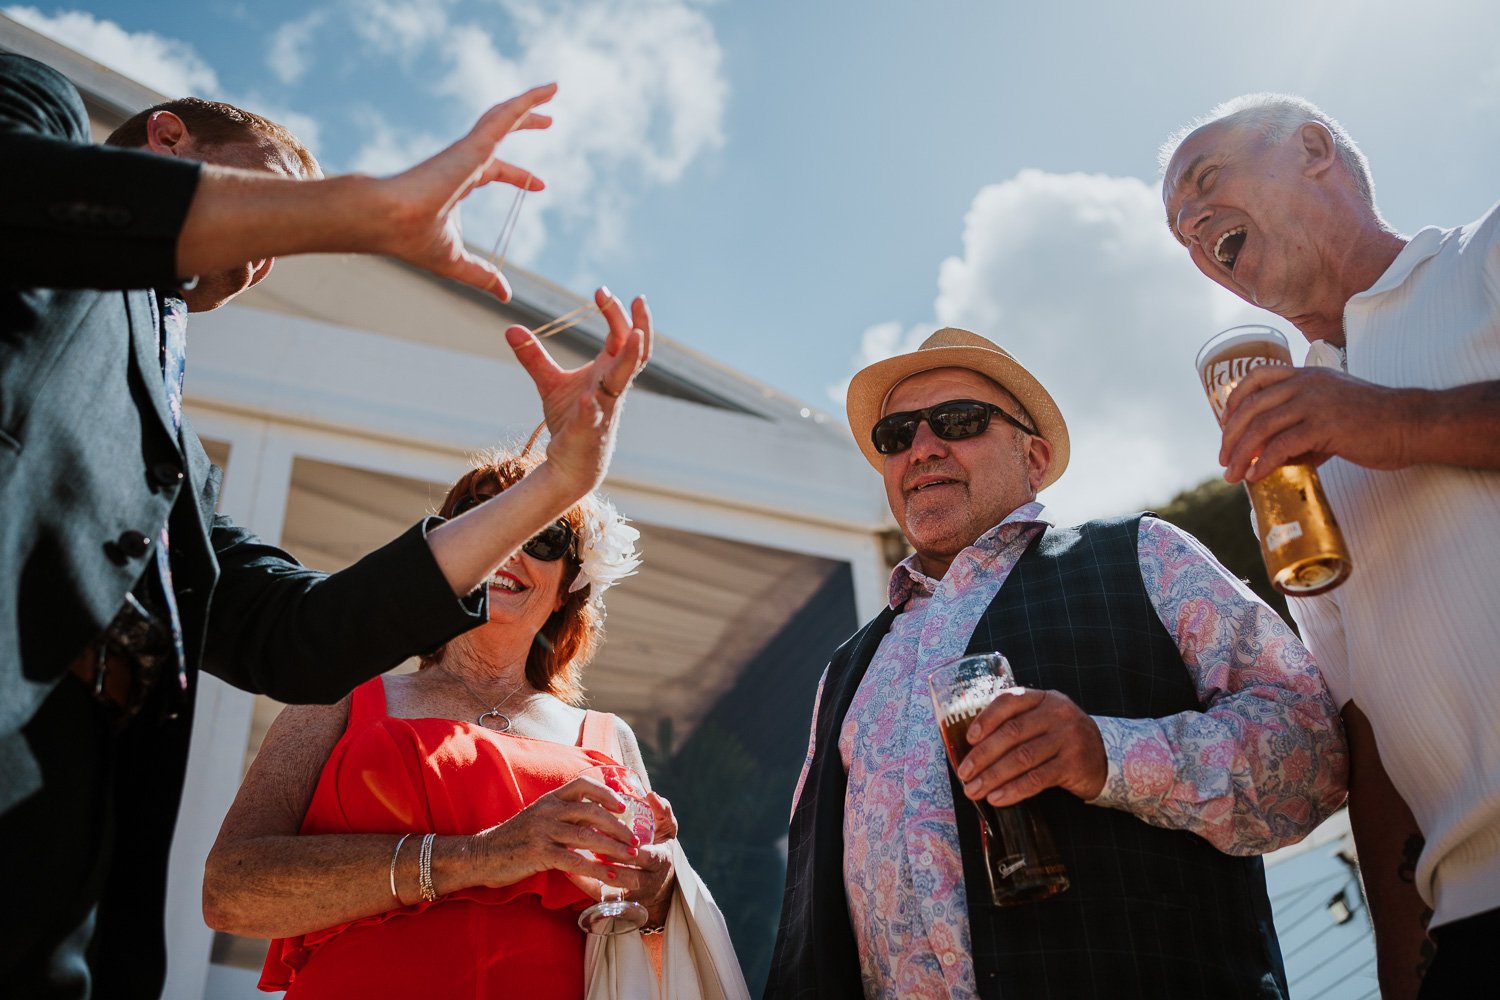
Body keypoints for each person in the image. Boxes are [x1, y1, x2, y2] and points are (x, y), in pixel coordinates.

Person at [0, 52, 652, 998]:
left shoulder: (176, 463)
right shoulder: (40, 121)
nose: (278, 253)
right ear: (168, 138)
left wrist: (557, 483)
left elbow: (299, 639)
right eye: (281, 203)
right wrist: (360, 209)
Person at [765, 327, 1347, 999]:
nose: (922, 447)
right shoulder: (846, 671)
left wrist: (1107, 754)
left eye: (958, 421)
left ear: (1033, 457)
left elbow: (1314, 752)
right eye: (896, 435)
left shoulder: (1146, 556)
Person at [1160, 93, 1500, 1000]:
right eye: (1180, 232)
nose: (1193, 228)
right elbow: (1368, 729)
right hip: (1472, 922)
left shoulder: (1484, 260)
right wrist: (1404, 972)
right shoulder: (1293, 470)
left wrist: (1396, 423)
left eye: (1205, 184)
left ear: (1314, 149)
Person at [203, 453, 700, 996]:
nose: (509, 545)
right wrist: (482, 856)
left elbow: (647, 955)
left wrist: (657, 896)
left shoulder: (610, 741)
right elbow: (229, 890)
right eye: (481, 519)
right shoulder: (337, 699)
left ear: (568, 590)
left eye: (544, 537)